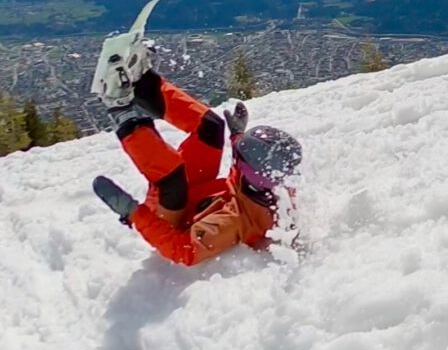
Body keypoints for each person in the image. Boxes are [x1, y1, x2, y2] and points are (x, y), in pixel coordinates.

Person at [92, 47, 303, 267]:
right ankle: (143, 82)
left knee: (172, 178)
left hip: (169, 218)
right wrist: (237, 136)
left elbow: (183, 251)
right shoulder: (271, 184)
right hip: (204, 193)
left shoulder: (229, 224)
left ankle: (120, 110)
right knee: (212, 128)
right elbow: (250, 168)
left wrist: (135, 214)